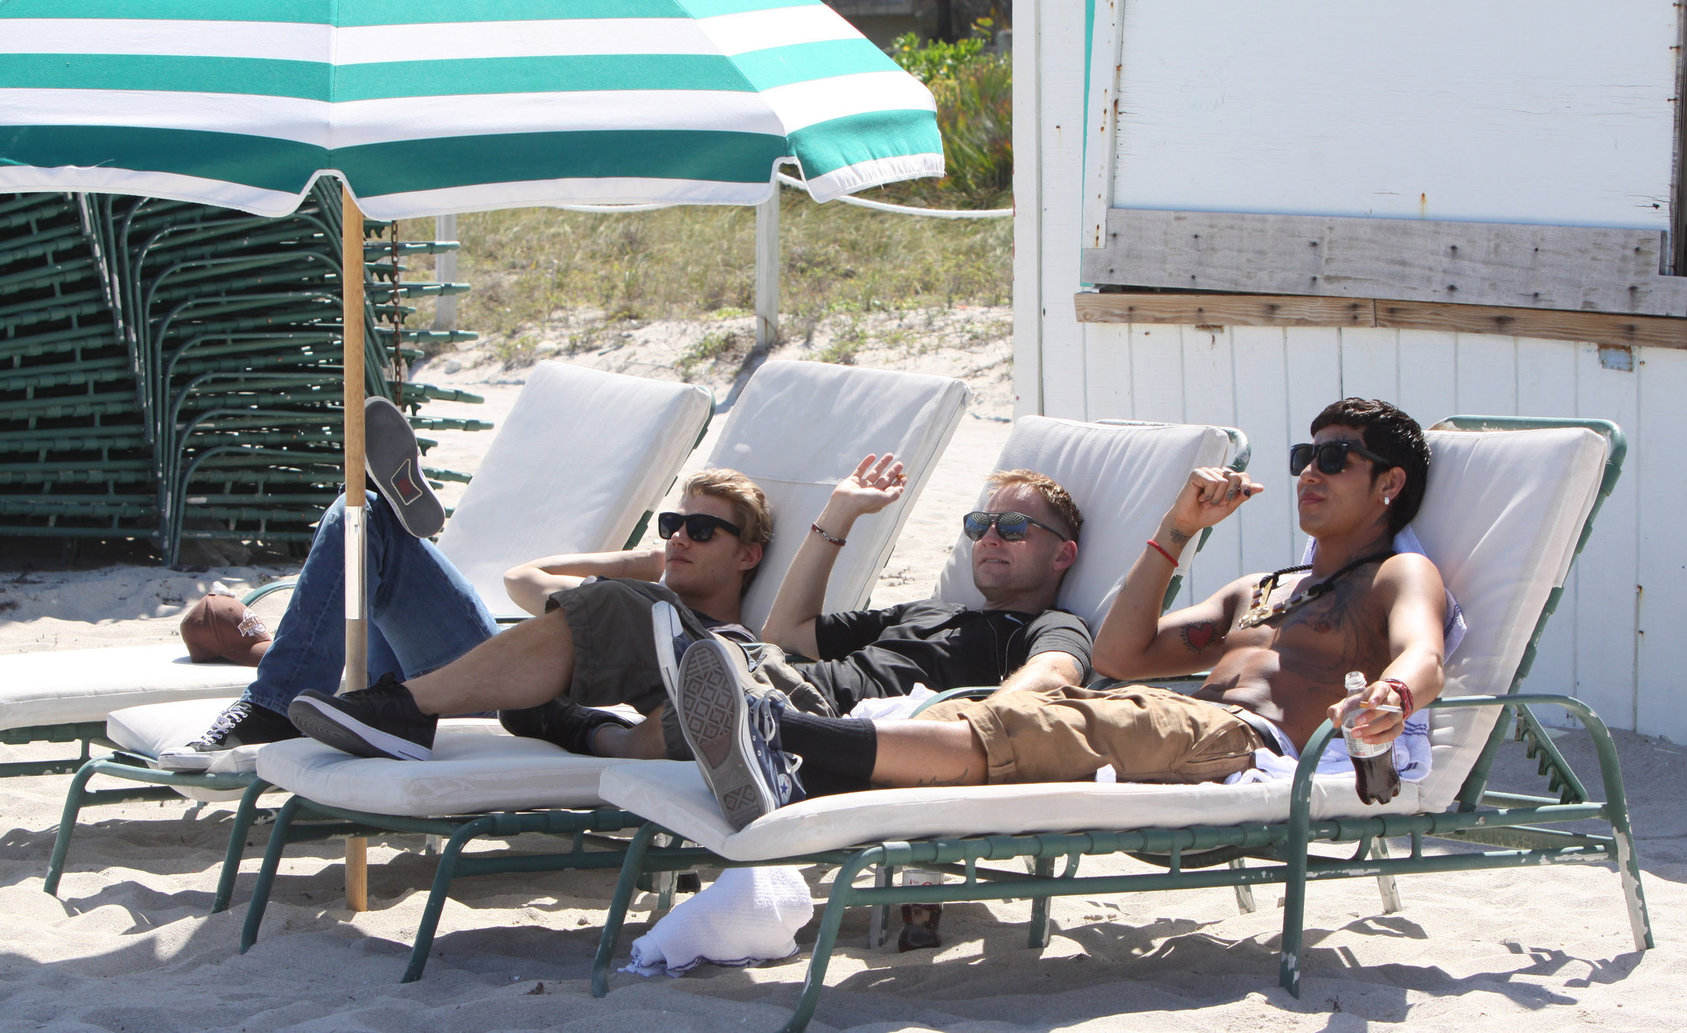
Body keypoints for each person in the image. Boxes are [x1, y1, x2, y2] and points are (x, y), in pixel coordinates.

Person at [670, 398, 1449, 830]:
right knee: (1015, 716)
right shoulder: (1262, 588)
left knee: (1035, 721)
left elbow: (1423, 652)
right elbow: (1126, 650)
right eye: (1303, 457)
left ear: (1387, 483)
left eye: (1335, 457)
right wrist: (1175, 531)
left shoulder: (1394, 572)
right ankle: (785, 752)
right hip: (1169, 719)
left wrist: (1393, 696)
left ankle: (780, 738)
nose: (1311, 471)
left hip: (1247, 747)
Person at [286, 454, 1095, 771]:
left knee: (630, 622)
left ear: (1060, 555)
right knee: (689, 675)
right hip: (774, 674)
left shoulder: (1040, 630)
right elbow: (789, 636)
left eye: (1014, 528)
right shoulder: (925, 612)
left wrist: (978, 727)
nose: (990, 538)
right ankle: (529, 715)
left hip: (822, 716)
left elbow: (1051, 681)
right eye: (979, 524)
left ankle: (407, 709)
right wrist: (839, 515)